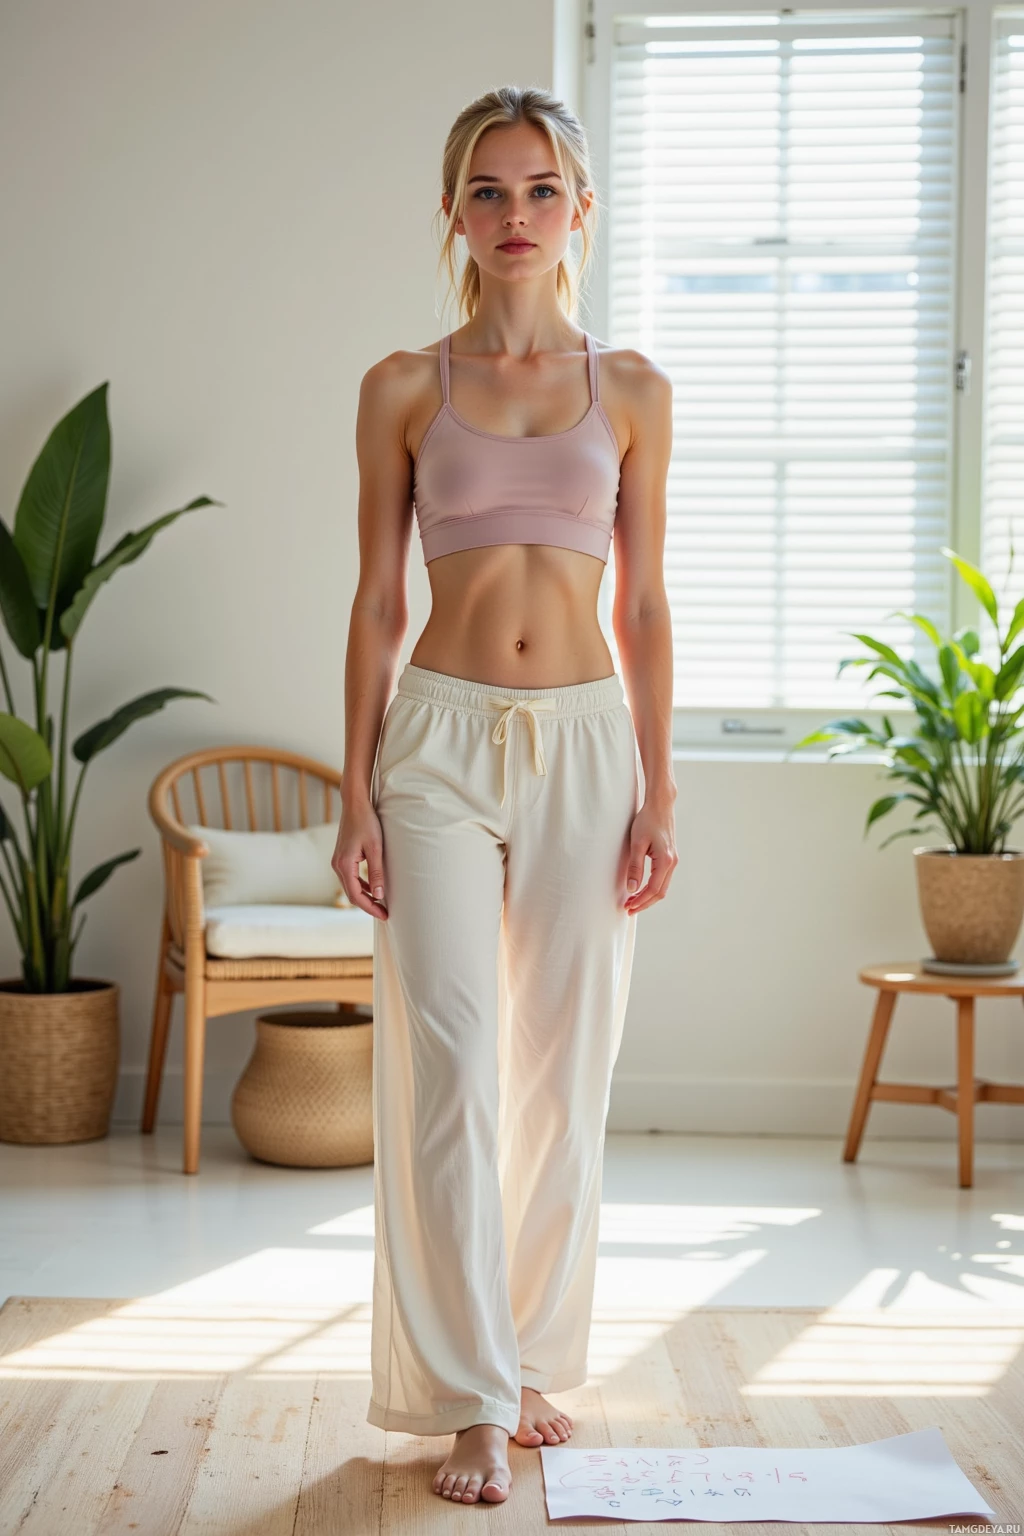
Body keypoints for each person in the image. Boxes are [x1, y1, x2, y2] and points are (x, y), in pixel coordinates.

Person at [333, 83, 677, 1510]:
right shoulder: (404, 386)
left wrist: (661, 788)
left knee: (559, 1069)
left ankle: (529, 1357)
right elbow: (372, 598)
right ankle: (472, 1397)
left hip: (589, 748)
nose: (515, 216)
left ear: (579, 211)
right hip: (438, 747)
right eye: (488, 190)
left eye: (541, 190)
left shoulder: (636, 388)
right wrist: (353, 790)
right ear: (453, 212)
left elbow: (645, 603)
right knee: (458, 1068)